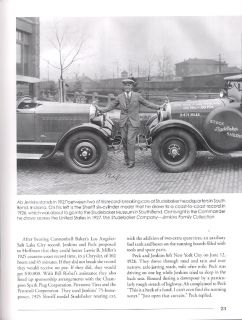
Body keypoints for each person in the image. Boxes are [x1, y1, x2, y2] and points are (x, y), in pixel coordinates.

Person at [96, 78, 161, 168]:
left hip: (133, 122)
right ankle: (126, 160)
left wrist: (159, 107)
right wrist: (100, 109)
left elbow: (147, 103)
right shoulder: (120, 97)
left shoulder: (137, 96)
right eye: (125, 85)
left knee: (130, 140)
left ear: (132, 86)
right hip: (123, 122)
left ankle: (131, 161)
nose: (127, 87)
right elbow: (111, 106)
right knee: (125, 141)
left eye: (129, 85)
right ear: (123, 87)